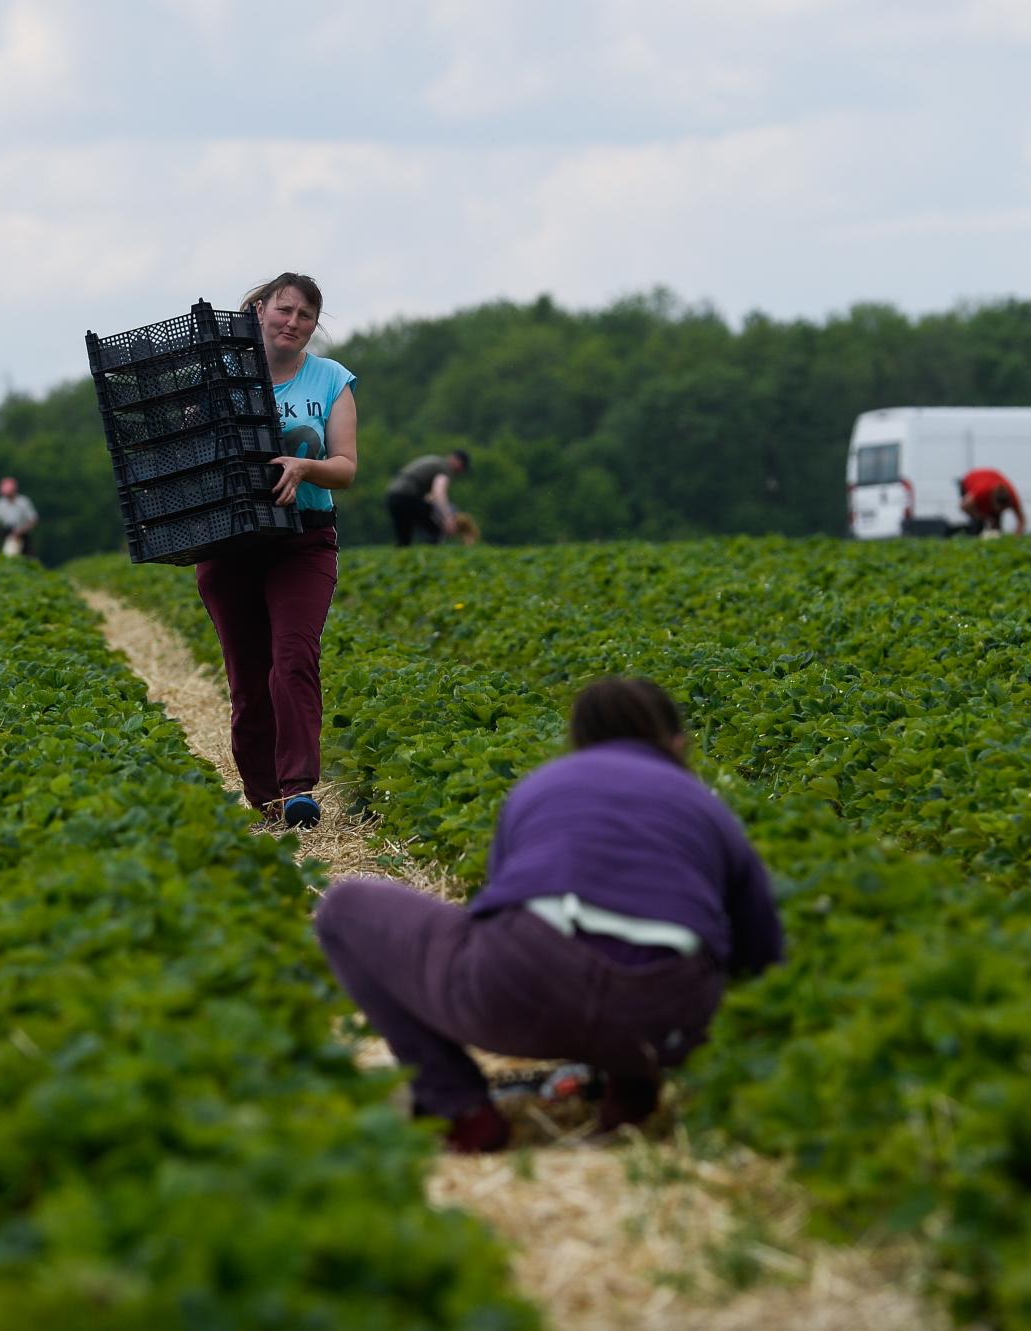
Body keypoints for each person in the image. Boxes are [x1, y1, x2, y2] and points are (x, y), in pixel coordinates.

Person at [313, 677, 784, 1154]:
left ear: (577, 742)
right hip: (664, 1023)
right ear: (677, 744)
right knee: (649, 944)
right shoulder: (709, 808)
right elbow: (761, 952)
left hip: (525, 990)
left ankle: (461, 1110)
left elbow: (494, 914)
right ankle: (632, 1098)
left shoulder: (543, 786)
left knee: (344, 910)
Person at [194, 272, 357, 830]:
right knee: (248, 677)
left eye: (306, 316)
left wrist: (302, 466)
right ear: (260, 309)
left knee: (292, 658)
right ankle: (264, 800)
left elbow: (346, 467)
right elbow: (191, 453)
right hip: (231, 542)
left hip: (303, 538)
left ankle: (297, 791)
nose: (293, 322)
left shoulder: (331, 379)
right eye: (284, 310)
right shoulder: (221, 374)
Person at [385, 450, 471, 546]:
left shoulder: (436, 461)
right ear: (457, 461)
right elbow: (439, 492)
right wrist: (447, 518)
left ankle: (403, 554)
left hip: (393, 496)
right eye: (462, 467)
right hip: (407, 497)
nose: (460, 471)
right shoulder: (445, 468)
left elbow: (430, 497)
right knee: (435, 530)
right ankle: (432, 555)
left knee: (404, 539)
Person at [0, 476, 39, 558]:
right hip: (8, 532)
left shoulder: (23, 502)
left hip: (23, 534)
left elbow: (33, 520)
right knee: (8, 554)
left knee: (28, 557)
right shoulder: (1, 503)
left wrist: (19, 531)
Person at [958, 467, 1025, 535]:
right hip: (970, 478)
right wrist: (979, 517)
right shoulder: (981, 491)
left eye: (1002, 510)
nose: (1000, 511)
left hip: (990, 478)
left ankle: (994, 534)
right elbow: (963, 506)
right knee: (979, 523)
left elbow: (1021, 520)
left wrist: (1017, 535)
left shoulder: (1013, 497)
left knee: (995, 520)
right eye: (998, 509)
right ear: (992, 499)